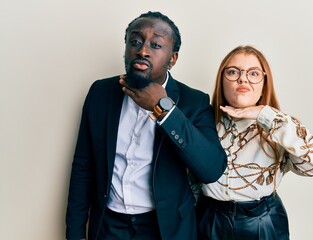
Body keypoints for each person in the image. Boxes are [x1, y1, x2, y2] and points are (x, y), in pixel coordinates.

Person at [65, 11, 227, 240]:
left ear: (172, 59)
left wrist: (164, 109)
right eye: (135, 41)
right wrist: (75, 233)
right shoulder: (101, 93)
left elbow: (212, 169)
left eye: (156, 45)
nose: (142, 50)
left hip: (164, 229)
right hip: (108, 226)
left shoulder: (194, 102)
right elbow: (83, 166)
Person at [197, 45, 313, 240]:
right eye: (233, 72)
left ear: (264, 83)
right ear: (221, 80)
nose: (242, 78)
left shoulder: (281, 127)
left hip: (262, 224)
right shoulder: (203, 122)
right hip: (209, 220)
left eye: (253, 73)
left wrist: (265, 115)